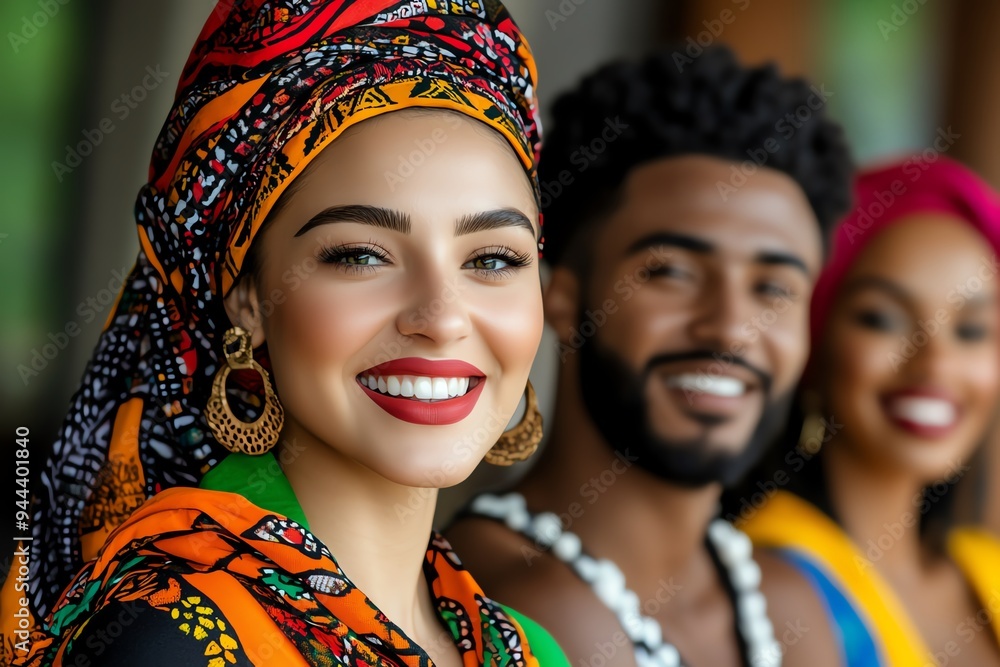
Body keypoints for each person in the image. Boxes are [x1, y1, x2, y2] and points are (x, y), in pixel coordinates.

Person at [3, 2, 570, 665]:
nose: (442, 317)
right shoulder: (172, 641)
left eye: (492, 259)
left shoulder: (529, 651)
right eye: (361, 255)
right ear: (247, 297)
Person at [445, 46, 853, 667]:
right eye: (671, 272)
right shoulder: (505, 600)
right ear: (559, 298)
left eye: (774, 287)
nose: (730, 329)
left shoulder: (787, 605)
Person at [739, 155, 1000, 666]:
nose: (936, 364)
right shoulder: (766, 584)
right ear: (815, 341)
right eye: (882, 319)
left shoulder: (985, 567)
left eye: (971, 331)